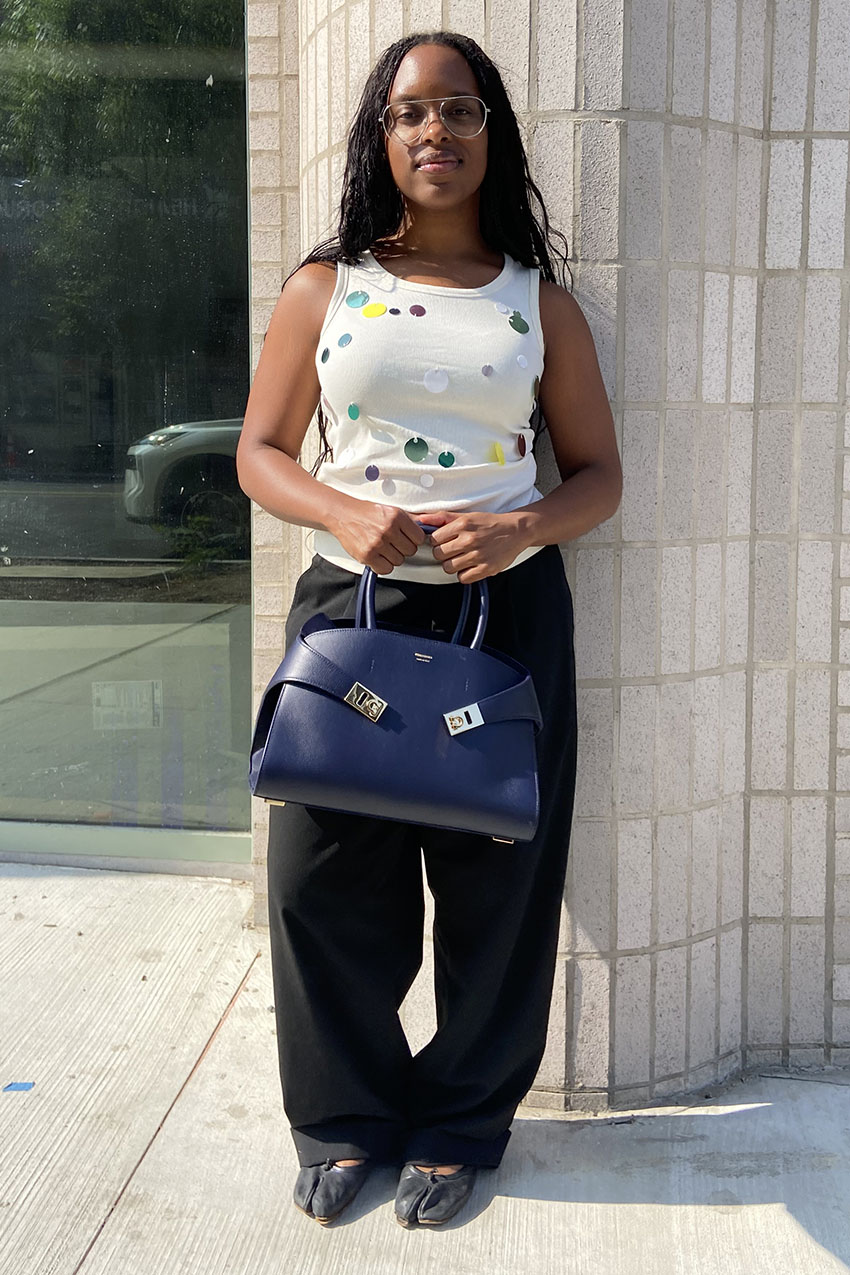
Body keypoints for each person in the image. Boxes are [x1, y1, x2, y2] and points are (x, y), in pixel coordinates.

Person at [236, 30, 621, 1229]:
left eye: (456, 110)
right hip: (352, 609)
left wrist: (521, 531)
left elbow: (600, 475)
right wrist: (346, 507)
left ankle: (460, 1124)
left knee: (497, 875)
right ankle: (348, 1117)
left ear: (488, 132)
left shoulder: (536, 304)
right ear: (382, 138)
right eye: (409, 113)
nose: (433, 132)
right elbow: (259, 452)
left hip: (503, 610)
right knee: (321, 876)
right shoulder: (326, 287)